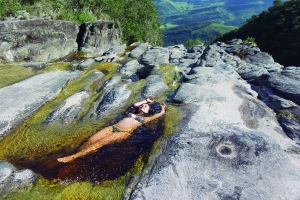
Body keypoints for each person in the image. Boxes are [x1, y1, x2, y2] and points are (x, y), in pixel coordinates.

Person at [57, 97, 166, 163]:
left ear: (148, 112)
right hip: (112, 127)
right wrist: (146, 101)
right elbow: (134, 105)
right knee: (91, 140)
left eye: (146, 106)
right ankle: (80, 155)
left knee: (100, 143)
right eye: (142, 105)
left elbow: (160, 114)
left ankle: (72, 157)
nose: (143, 106)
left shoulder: (145, 118)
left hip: (123, 133)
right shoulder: (132, 112)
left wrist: (162, 108)